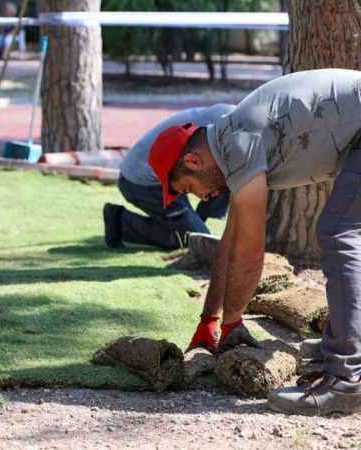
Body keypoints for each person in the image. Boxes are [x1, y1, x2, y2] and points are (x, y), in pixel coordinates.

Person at [147, 68, 361, 416]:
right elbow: (230, 241)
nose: (203, 197)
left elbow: (250, 251)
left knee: (338, 232)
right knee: (343, 231)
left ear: (193, 160)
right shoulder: (231, 145)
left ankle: (345, 380)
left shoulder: (238, 142)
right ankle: (343, 347)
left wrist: (234, 322)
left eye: (190, 188)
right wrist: (210, 319)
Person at [103, 104, 235, 250]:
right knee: (192, 238)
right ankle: (120, 222)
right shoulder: (230, 128)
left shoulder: (232, 125)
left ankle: (192, 221)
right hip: (141, 182)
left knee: (227, 177)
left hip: (174, 171)